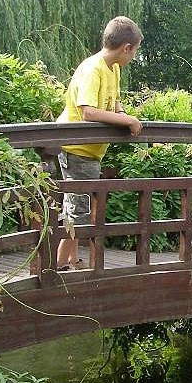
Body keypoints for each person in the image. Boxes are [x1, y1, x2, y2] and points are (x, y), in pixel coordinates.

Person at [55, 16, 144, 270]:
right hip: (76, 148)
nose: (134, 56)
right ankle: (58, 265)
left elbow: (113, 103)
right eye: (135, 50)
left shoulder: (113, 68)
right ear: (126, 47)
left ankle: (71, 260)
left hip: (90, 151)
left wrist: (122, 113)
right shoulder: (93, 68)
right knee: (78, 209)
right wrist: (126, 121)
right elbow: (88, 111)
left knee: (78, 205)